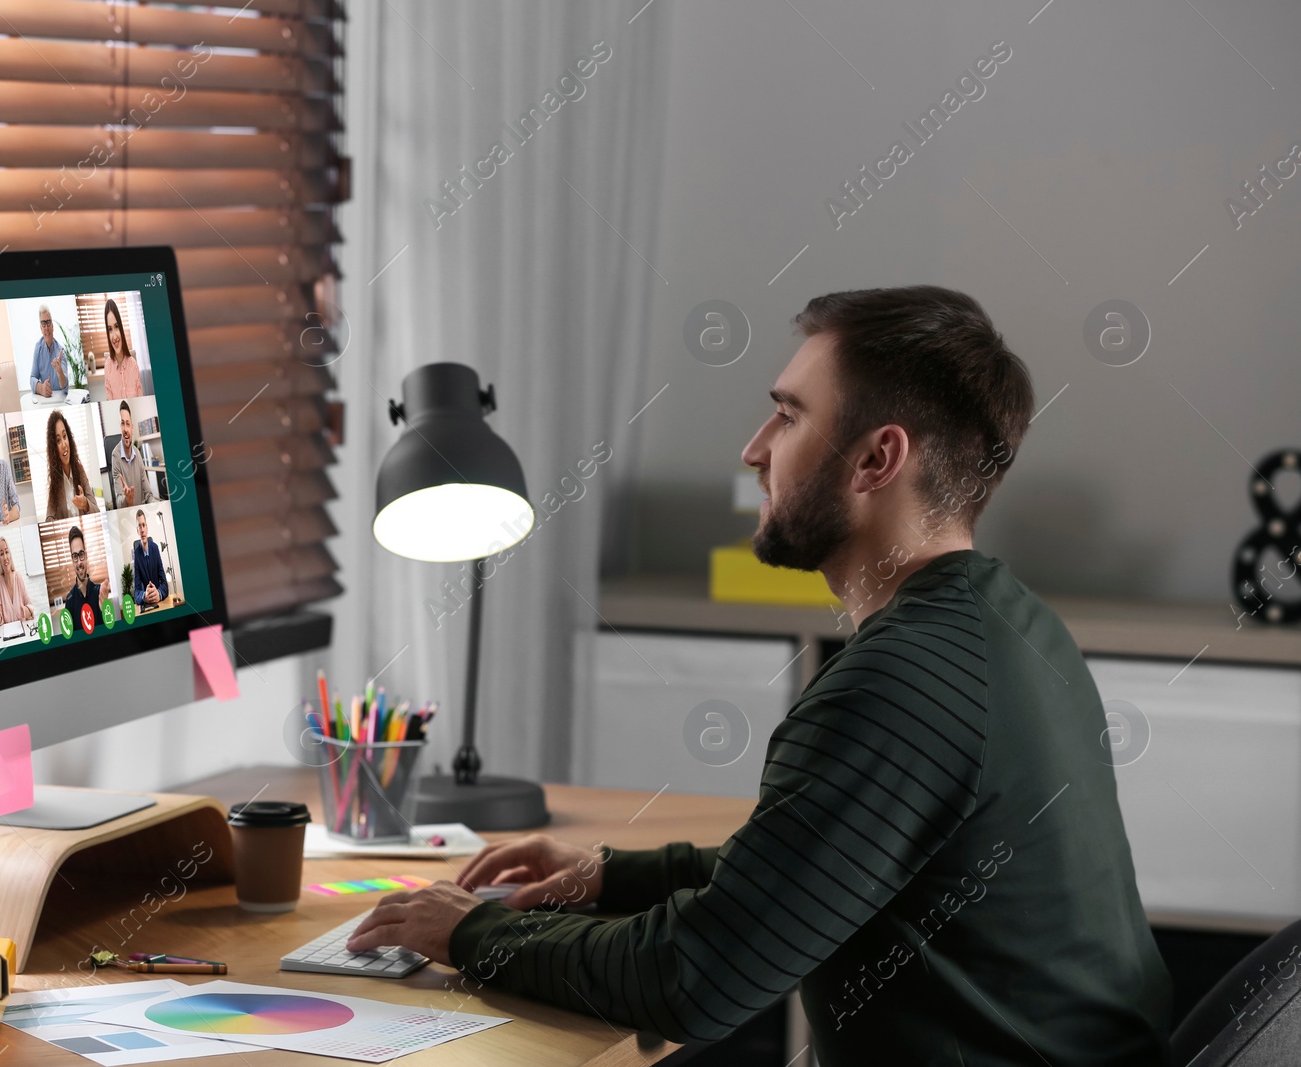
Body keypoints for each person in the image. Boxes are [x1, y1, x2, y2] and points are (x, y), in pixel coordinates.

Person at [344, 286, 1172, 1065]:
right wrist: (609, 872)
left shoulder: (900, 685)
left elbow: (693, 979)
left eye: (787, 416)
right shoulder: (1011, 623)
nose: (754, 449)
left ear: (878, 458)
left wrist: (471, 933)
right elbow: (819, 861)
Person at [43, 409, 95, 520]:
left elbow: (97, 510)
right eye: (58, 440)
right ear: (54, 449)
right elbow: (49, 517)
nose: (63, 444)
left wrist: (85, 504)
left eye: (64, 436)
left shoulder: (80, 471)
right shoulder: (55, 480)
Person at [109, 400, 154, 507]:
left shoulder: (138, 454)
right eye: (122, 424)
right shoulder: (115, 456)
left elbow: (148, 494)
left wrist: (155, 503)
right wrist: (127, 499)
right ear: (120, 427)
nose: (125, 429)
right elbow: (119, 501)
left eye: (128, 424)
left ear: (132, 428)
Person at [0, 537, 35, 627]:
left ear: (10, 554)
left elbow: (31, 609)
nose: (5, 557)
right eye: (1, 554)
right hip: (9, 637)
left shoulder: (18, 577)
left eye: (6, 552)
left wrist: (24, 610)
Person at [61, 525, 104, 627]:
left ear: (86, 555)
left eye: (81, 554)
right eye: (75, 556)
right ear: (72, 560)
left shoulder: (99, 593)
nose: (79, 562)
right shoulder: (70, 601)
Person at [101, 297, 143, 400]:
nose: (114, 336)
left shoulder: (133, 365)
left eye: (116, 326)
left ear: (121, 327)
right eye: (110, 329)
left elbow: (140, 400)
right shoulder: (107, 367)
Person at [131, 509, 168, 609]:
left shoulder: (155, 548)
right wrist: (145, 596)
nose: (142, 529)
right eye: (139, 526)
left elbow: (164, 583)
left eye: (143, 525)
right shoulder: (136, 554)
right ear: (137, 530)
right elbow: (137, 592)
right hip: (147, 605)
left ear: (147, 528)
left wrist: (159, 593)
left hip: (159, 603)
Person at [28, 304, 68, 398]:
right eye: (43, 323)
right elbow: (32, 378)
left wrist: (60, 372)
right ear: (41, 328)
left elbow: (65, 386)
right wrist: (41, 388)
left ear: (53, 326)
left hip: (60, 399)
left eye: (48, 323)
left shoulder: (61, 351)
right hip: (45, 400)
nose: (46, 328)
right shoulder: (38, 348)